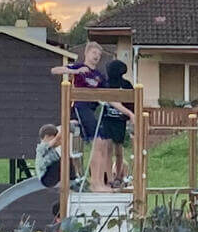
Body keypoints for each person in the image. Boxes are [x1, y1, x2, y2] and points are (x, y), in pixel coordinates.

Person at [50, 42, 111, 190]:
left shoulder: (99, 76)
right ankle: (95, 183)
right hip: (80, 107)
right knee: (98, 140)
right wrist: (76, 72)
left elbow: (108, 92)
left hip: (92, 109)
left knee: (103, 142)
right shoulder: (78, 67)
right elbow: (55, 70)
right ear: (87, 53)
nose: (96, 56)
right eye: (94, 53)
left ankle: (100, 181)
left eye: (98, 55)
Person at [98, 59, 136, 187]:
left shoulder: (126, 85)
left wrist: (131, 115)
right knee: (108, 149)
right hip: (107, 119)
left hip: (120, 120)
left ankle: (119, 176)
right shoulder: (106, 84)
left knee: (118, 149)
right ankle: (109, 177)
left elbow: (132, 102)